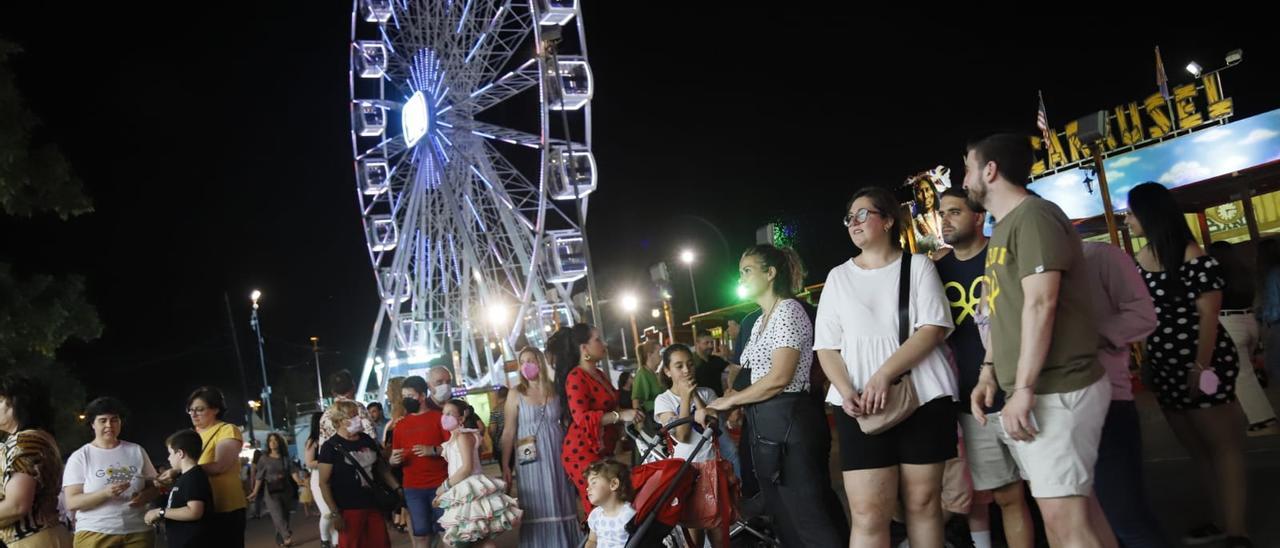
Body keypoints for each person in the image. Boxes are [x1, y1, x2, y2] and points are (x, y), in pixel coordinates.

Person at [963, 133, 1113, 547]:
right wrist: (990, 371)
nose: (964, 180)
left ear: (989, 171)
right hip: (1037, 391)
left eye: (967, 169)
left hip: (1058, 389)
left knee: (1064, 524)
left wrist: (1025, 388)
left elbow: (1042, 303)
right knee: (1079, 515)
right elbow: (1000, 310)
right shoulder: (1006, 226)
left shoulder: (1034, 217)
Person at [813, 186, 959, 548]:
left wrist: (883, 374)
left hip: (923, 395)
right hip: (859, 404)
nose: (854, 223)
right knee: (866, 513)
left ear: (889, 220)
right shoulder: (838, 277)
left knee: (923, 505)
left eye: (863, 214)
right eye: (849, 217)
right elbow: (827, 348)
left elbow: (933, 328)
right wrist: (846, 390)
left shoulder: (919, 266)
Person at [1125, 182, 1252, 548]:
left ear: (1149, 214)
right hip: (1165, 363)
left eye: (1131, 212)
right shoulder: (1141, 259)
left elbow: (1209, 316)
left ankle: (1237, 532)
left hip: (1203, 360)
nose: (1127, 219)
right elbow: (1144, 315)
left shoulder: (1193, 255)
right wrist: (1147, 361)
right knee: (1197, 448)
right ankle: (1220, 520)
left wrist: (1200, 366)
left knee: (1222, 445)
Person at [706, 244, 846, 547]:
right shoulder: (758, 321)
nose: (740, 277)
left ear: (770, 273)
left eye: (747, 270)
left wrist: (731, 401)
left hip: (791, 424)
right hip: (766, 428)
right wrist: (718, 403)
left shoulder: (789, 311)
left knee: (808, 514)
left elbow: (780, 377)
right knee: (784, 516)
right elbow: (747, 376)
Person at [933, 186, 1035, 548]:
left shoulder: (1002, 255)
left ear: (979, 216)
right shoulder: (935, 272)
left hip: (1019, 391)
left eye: (954, 212)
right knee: (1001, 494)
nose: (945, 220)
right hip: (968, 401)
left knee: (1047, 491)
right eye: (942, 213)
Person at [1081, 241, 1167, 547]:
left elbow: (1143, 314)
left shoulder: (1098, 256)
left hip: (1107, 398)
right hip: (1051, 407)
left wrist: (1091, 337)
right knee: (1085, 519)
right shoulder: (1013, 268)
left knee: (1124, 515)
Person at [552, 324, 644, 514]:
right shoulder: (576, 376)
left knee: (613, 502)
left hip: (601, 449)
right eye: (597, 340)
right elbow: (581, 418)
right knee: (600, 507)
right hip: (582, 451)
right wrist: (620, 415)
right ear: (584, 348)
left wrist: (626, 414)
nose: (603, 344)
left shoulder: (599, 374)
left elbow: (610, 407)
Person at [500, 346, 583, 546]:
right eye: (522, 362)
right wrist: (505, 466)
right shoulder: (515, 393)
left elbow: (566, 423)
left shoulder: (556, 390)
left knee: (561, 497)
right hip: (529, 458)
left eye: (531, 360)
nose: (527, 365)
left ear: (540, 363)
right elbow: (509, 431)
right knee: (536, 502)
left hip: (557, 453)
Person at [654, 343, 732, 548]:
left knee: (719, 534)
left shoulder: (707, 394)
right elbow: (682, 436)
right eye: (679, 366)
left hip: (712, 468)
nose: (686, 370)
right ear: (667, 371)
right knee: (693, 536)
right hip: (686, 473)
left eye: (689, 364)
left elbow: (711, 425)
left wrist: (695, 394)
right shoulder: (663, 401)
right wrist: (686, 397)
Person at [62, 397, 158, 548]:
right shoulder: (81, 456)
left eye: (114, 420)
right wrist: (105, 493)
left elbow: (155, 485)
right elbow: (72, 502)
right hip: (95, 532)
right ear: (92, 424)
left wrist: (145, 495)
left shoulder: (136, 451)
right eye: (103, 420)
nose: (109, 425)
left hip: (138, 532)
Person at [157, 387, 247, 548]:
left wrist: (179, 471)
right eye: (190, 410)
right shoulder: (190, 436)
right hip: (200, 508)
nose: (193, 414)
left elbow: (220, 465)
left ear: (216, 409)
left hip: (225, 506)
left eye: (199, 409)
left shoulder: (226, 430)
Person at [1208, 240, 1279, 435]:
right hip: (1248, 321)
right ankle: (1245, 416)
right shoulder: (1243, 273)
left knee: (1241, 375)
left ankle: (1263, 420)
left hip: (1229, 323)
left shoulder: (1216, 274)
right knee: (1242, 373)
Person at [433, 399, 520, 547]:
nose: (444, 417)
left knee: (470, 540)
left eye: (449, 414)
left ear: (461, 418)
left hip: (469, 490)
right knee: (477, 540)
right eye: (443, 413)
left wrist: (444, 488)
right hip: (461, 488)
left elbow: (466, 468)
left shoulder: (463, 436)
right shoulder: (455, 438)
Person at [318, 400, 403, 548]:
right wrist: (335, 513)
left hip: (373, 503)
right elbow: (323, 482)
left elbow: (381, 468)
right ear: (341, 421)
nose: (358, 419)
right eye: (353, 416)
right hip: (348, 508)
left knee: (381, 543)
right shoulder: (330, 447)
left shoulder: (365, 439)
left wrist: (397, 487)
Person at [0, 374, 72, 547]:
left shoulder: (25, 442)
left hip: (30, 540)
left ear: (16, 405)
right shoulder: (38, 438)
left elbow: (17, 505)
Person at [391, 374, 451, 548]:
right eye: (404, 397)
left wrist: (432, 450)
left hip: (440, 486)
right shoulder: (400, 426)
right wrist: (394, 460)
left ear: (422, 396)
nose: (406, 401)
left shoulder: (439, 418)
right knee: (421, 535)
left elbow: (453, 449)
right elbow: (394, 458)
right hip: (413, 489)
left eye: (410, 396)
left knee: (446, 533)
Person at [145, 430, 212, 548]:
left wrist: (159, 512)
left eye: (170, 453)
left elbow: (194, 512)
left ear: (180, 453)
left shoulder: (194, 477)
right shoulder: (185, 476)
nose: (169, 458)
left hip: (191, 542)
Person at [247, 433, 296, 546]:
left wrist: (299, 481)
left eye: (275, 440)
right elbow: (259, 477)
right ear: (268, 444)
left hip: (286, 490)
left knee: (285, 515)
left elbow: (293, 471)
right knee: (277, 514)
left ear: (279, 442)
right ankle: (287, 536)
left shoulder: (285, 458)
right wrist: (255, 491)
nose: (273, 443)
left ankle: (281, 539)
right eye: (270, 441)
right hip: (270, 492)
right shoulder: (264, 459)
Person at [582, 460, 635, 548]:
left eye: (593, 482)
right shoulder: (595, 515)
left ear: (613, 484)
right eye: (588, 484)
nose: (588, 488)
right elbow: (592, 541)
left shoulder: (628, 514)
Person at [319, 370, 376, 447]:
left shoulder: (325, 416)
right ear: (353, 386)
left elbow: (322, 445)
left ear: (333, 392)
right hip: (358, 454)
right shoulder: (357, 407)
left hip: (334, 457)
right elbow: (372, 435)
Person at [305, 412, 337, 548]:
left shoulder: (333, 438)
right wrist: (326, 462)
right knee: (327, 512)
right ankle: (324, 540)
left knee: (336, 512)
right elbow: (309, 462)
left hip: (334, 477)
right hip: (318, 478)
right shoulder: (313, 441)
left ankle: (336, 542)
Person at [629, 340, 663, 420]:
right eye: (659, 353)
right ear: (650, 355)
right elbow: (636, 401)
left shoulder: (654, 374)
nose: (661, 356)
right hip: (652, 418)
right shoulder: (642, 374)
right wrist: (641, 426)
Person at [693, 331, 732, 397]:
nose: (710, 346)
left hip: (718, 400)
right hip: (702, 401)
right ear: (697, 344)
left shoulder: (716, 360)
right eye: (706, 343)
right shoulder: (691, 362)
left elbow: (733, 369)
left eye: (711, 342)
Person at [488, 388, 508, 466]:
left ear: (498, 396)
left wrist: (493, 440)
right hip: (515, 442)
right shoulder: (514, 407)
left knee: (505, 467)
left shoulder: (495, 410)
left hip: (501, 443)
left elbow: (493, 429)